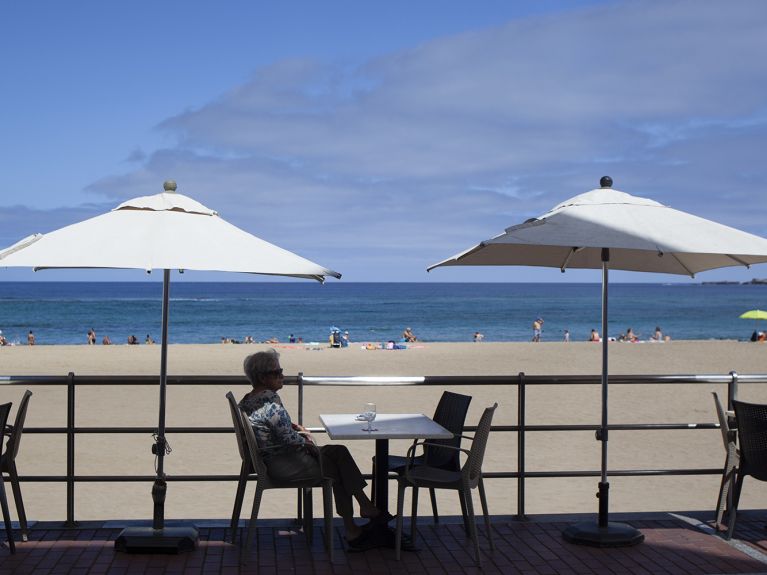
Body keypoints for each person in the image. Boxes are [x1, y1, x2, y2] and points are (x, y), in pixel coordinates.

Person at [239, 350, 391, 546]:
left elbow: (270, 426)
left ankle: (362, 511)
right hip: (284, 464)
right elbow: (288, 439)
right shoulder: (269, 399)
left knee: (339, 452)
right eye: (277, 372)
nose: (282, 376)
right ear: (261, 377)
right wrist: (308, 440)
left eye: (281, 371)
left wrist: (295, 428)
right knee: (337, 467)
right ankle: (358, 519)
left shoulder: (248, 399)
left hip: (271, 459)